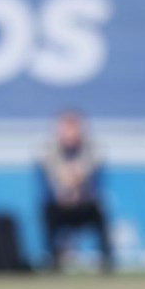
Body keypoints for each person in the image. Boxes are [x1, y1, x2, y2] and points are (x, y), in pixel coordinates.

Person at [38, 110, 114, 272]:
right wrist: (63, 192)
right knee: (47, 211)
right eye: (66, 128)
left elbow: (94, 182)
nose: (70, 133)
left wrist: (79, 192)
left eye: (74, 128)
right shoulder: (49, 152)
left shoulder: (91, 150)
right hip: (60, 205)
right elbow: (49, 183)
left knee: (99, 211)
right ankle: (52, 260)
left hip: (85, 205)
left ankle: (106, 260)